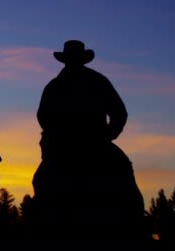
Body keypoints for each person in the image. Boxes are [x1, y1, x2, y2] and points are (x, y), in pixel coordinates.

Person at [32, 40, 146, 240]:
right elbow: (119, 113)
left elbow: (43, 117)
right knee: (122, 173)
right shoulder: (93, 81)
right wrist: (107, 135)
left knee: (43, 180)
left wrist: (106, 136)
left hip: (81, 144)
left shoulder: (57, 85)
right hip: (81, 143)